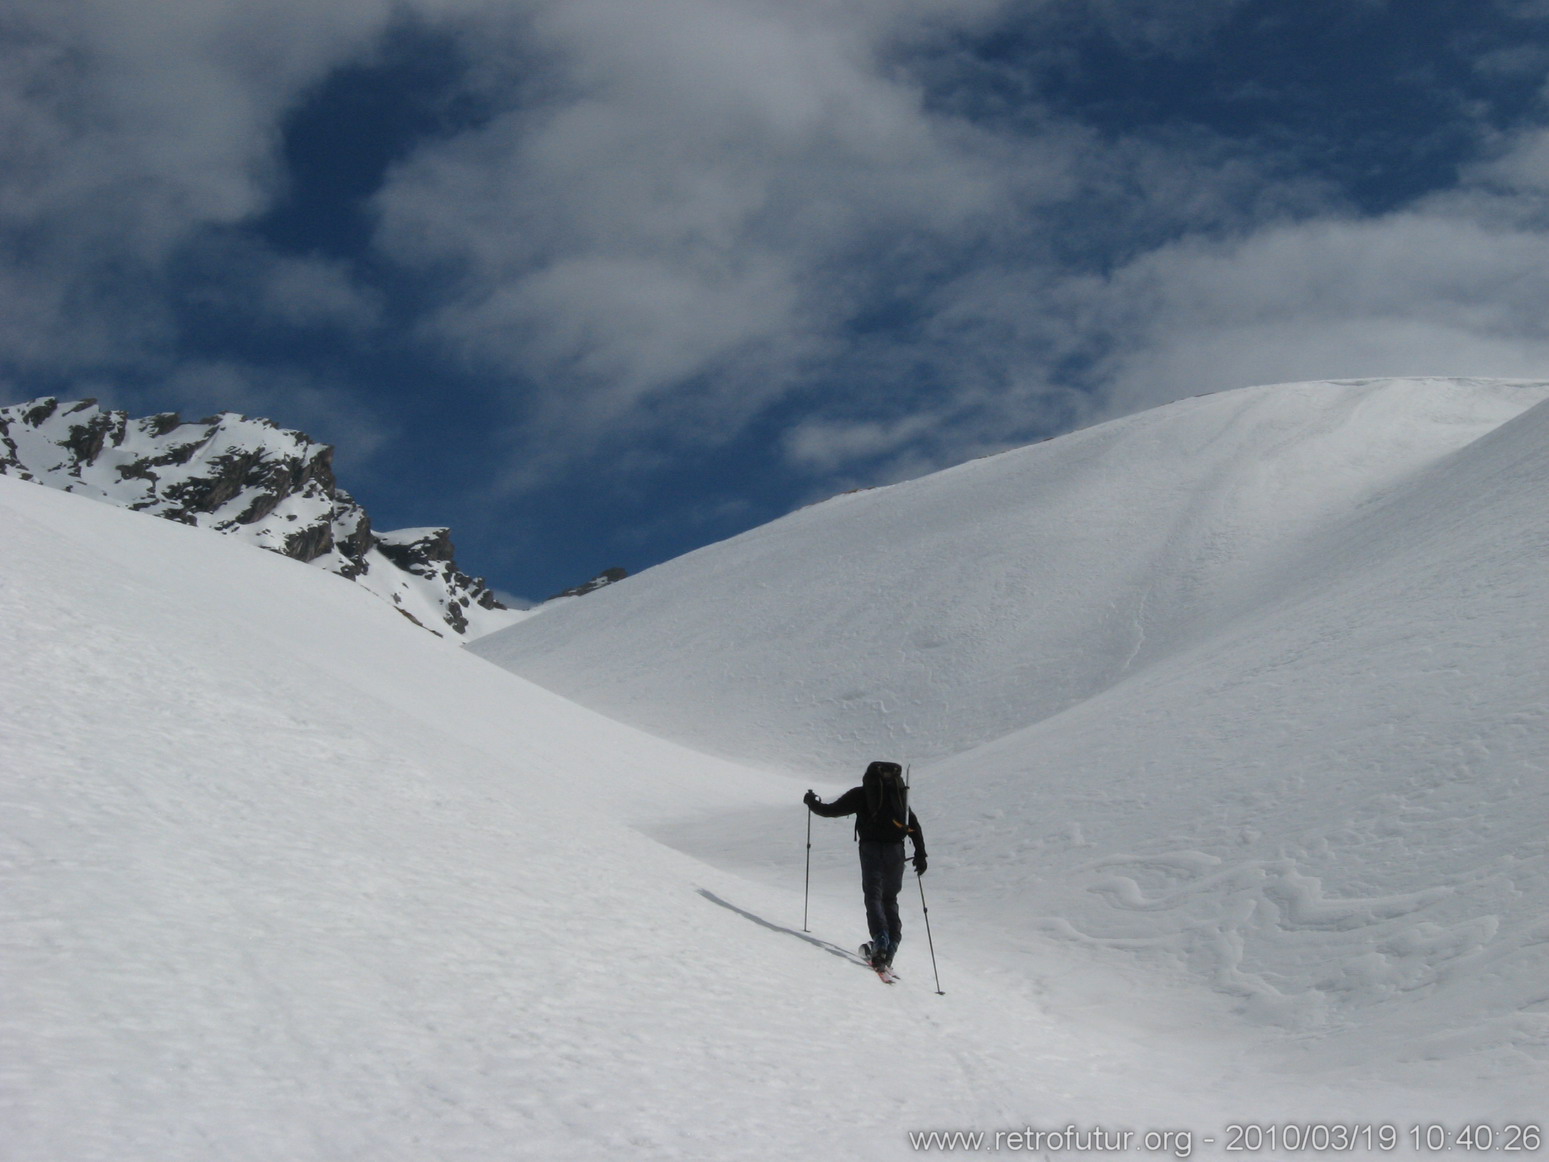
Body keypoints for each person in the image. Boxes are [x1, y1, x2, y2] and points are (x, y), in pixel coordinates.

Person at [804, 760, 927, 970]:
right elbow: (913, 825)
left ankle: (880, 942)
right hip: (896, 852)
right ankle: (891, 947)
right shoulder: (899, 795)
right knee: (890, 898)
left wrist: (811, 802)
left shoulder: (861, 794)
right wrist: (921, 854)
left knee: (874, 896)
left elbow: (830, 811)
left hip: (871, 850)